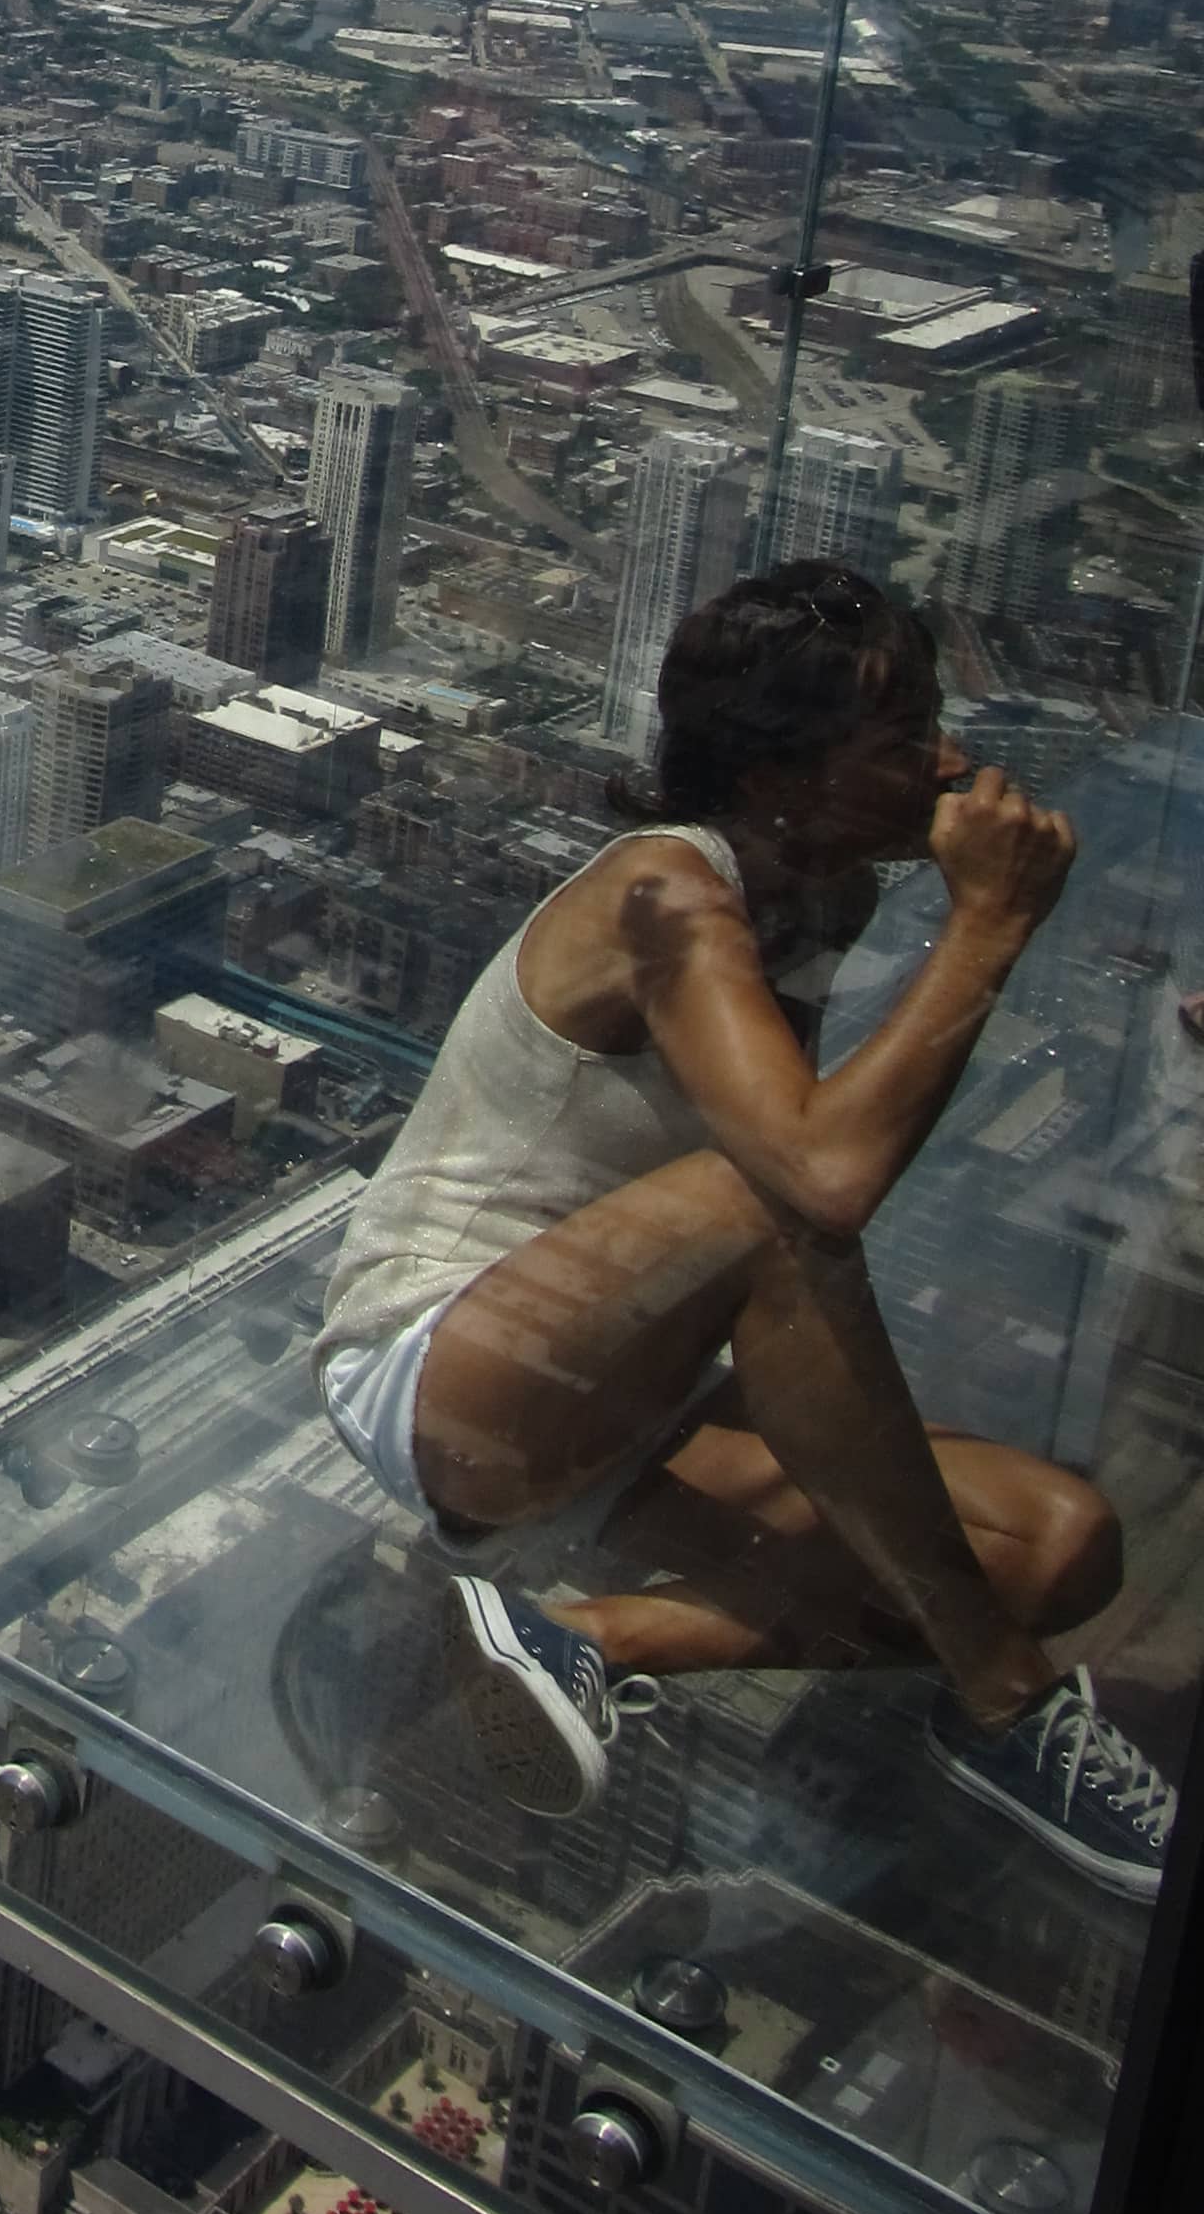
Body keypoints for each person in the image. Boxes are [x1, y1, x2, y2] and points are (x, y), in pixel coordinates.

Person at [312, 558, 1174, 1899]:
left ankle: (599, 1637)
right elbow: (818, 1181)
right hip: (445, 1369)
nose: (947, 764)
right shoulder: (665, 894)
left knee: (1056, 1549)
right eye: (902, 742)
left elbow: (809, 1166)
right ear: (782, 777)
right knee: (771, 1206)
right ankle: (1006, 1704)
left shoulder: (823, 900)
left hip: (625, 1386)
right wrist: (990, 928)